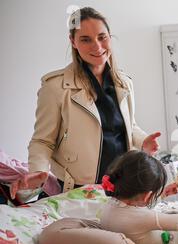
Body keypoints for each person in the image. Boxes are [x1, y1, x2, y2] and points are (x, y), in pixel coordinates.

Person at [10, 7, 162, 199]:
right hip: (78, 190)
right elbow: (42, 140)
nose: (97, 46)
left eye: (102, 37)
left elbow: (129, 127)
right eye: (85, 39)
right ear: (72, 41)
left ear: (110, 37)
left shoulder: (125, 83)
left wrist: (143, 140)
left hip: (121, 185)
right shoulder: (56, 87)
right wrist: (38, 170)